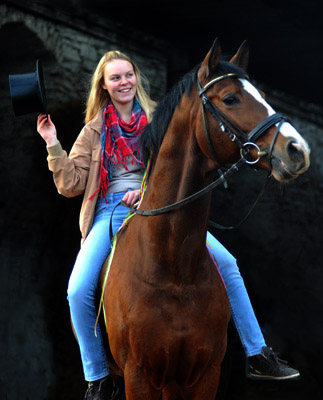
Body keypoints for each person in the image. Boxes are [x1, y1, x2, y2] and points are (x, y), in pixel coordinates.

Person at [37, 50, 300, 400]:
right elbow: (69, 184)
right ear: (104, 85)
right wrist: (52, 142)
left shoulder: (158, 118)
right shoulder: (92, 132)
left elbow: (180, 166)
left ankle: (258, 354)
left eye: (128, 74)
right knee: (77, 289)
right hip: (109, 212)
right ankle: (97, 376)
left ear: (136, 78)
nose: (124, 82)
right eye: (115, 77)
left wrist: (144, 190)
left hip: (158, 206)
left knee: (229, 265)